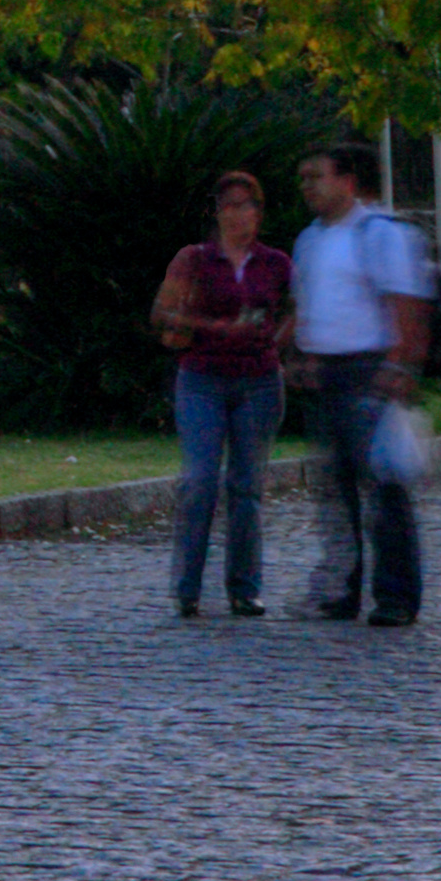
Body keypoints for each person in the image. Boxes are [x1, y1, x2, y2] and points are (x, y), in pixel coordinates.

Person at [288, 142, 437, 626]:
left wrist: (399, 367)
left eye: (317, 175)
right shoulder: (309, 239)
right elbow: (310, 304)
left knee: (384, 491)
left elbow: (407, 304)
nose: (308, 185)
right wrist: (305, 356)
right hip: (326, 375)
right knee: (336, 493)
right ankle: (342, 590)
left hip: (368, 372)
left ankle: (395, 596)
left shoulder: (380, 234)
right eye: (304, 177)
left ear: (347, 180)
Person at [150, 169, 293, 617]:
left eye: (247, 205)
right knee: (199, 481)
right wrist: (213, 326)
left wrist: (276, 340)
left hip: (259, 381)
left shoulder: (275, 264)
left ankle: (245, 587)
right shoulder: (194, 259)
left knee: (247, 486)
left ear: (259, 212)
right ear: (216, 212)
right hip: (202, 378)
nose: (238, 215)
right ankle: (187, 586)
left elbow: (298, 307)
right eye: (229, 206)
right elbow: (161, 312)